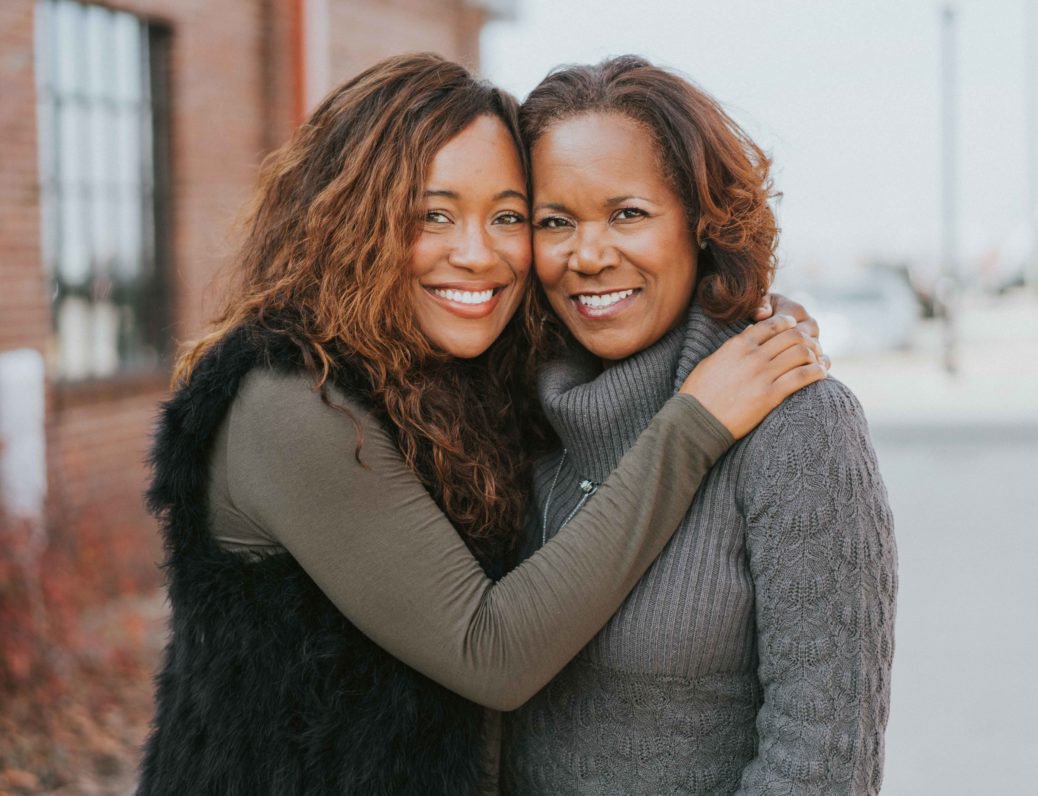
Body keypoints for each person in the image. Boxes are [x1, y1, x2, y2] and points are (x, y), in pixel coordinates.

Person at [137, 54, 827, 794]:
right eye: (433, 215)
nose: (478, 255)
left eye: (508, 217)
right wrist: (695, 424)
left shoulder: (463, 375)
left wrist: (746, 322)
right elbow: (489, 652)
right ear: (350, 222)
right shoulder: (292, 401)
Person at [501, 56, 897, 795]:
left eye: (628, 214)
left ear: (702, 221)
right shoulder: (507, 416)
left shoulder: (799, 425)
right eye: (555, 222)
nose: (588, 255)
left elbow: (821, 762)